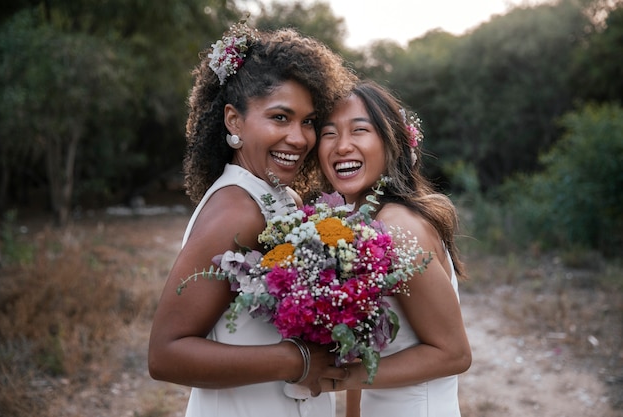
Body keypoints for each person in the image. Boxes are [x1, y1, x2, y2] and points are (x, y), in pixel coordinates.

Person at [148, 21, 356, 417]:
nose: (299, 138)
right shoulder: (237, 210)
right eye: (281, 117)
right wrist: (298, 361)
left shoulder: (281, 198)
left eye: (309, 121)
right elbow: (165, 354)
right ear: (234, 121)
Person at [317, 80, 472, 417]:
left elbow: (454, 354)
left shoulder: (398, 227)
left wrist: (341, 378)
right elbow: (368, 347)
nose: (342, 145)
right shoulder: (362, 223)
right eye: (329, 133)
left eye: (359, 130)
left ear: (391, 144)